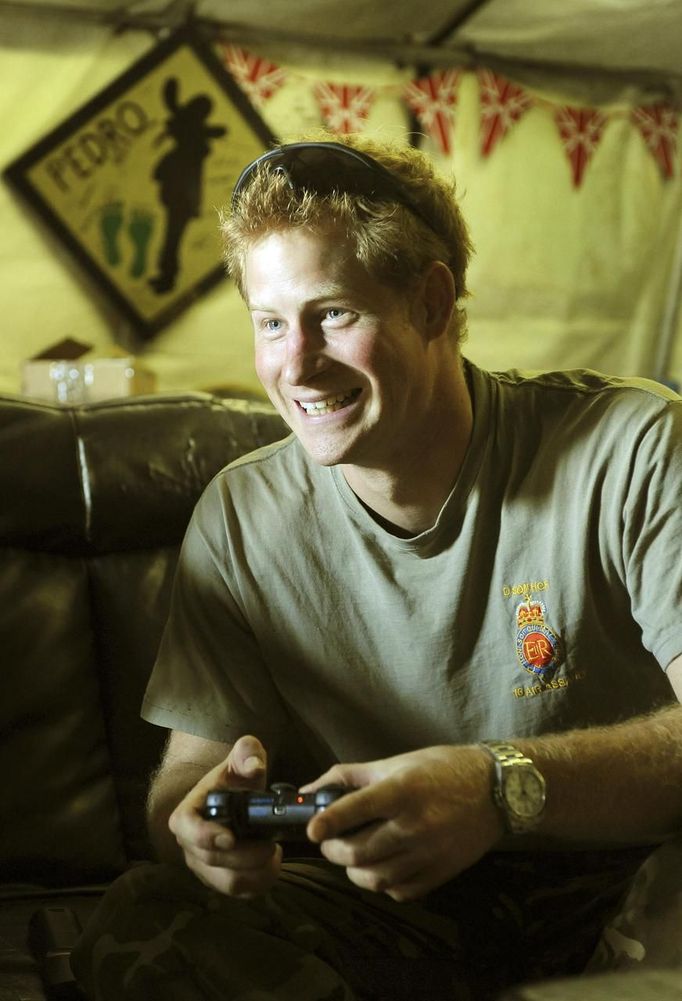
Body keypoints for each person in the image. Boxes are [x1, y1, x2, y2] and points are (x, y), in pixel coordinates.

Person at [72, 135, 682, 1000]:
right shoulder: (244, 514)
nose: (296, 364)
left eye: (334, 314)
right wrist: (205, 825)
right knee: (145, 915)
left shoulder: (631, 446)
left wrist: (495, 788)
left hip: (637, 878)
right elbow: (186, 779)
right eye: (271, 322)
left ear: (432, 302)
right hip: (400, 906)